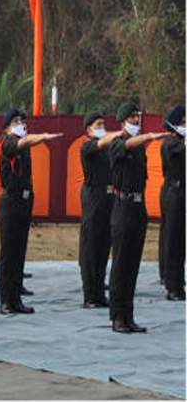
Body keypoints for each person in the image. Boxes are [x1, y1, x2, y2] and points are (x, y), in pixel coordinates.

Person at [107, 102, 168, 332]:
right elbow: (128, 144)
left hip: (138, 206)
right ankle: (117, 317)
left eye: (137, 117)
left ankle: (129, 314)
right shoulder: (117, 143)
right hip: (122, 206)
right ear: (122, 122)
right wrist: (149, 136)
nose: (136, 121)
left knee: (133, 265)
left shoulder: (139, 147)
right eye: (132, 118)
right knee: (121, 264)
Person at [0, 107, 62, 315]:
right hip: (11, 200)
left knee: (19, 252)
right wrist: (41, 137)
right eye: (16, 121)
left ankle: (16, 298)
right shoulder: (7, 142)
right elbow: (22, 142)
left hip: (24, 200)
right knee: (8, 254)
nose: (21, 124)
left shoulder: (22, 145)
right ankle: (6, 301)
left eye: (22, 121)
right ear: (7, 126)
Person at [78, 110, 122, 308]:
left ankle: (98, 290)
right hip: (94, 196)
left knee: (104, 245)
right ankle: (90, 295)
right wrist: (119, 134)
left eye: (104, 124)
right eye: (98, 125)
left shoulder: (106, 148)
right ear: (88, 129)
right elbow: (102, 142)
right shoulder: (87, 146)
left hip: (108, 196)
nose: (102, 128)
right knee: (91, 246)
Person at [161, 105, 184, 302]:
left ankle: (178, 282)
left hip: (182, 192)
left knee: (181, 241)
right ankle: (171, 285)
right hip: (174, 192)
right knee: (172, 239)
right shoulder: (170, 144)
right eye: (183, 122)